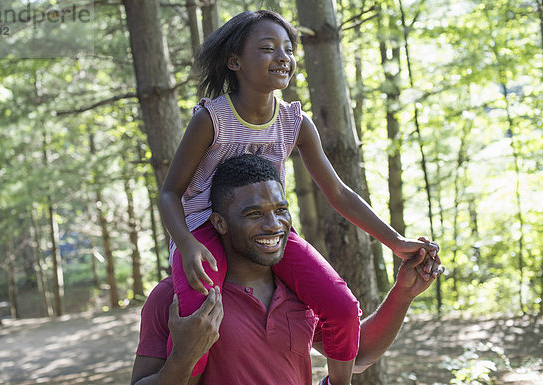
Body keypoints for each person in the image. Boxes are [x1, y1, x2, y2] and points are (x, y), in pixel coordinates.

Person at [159, 10, 440, 382]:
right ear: (234, 61)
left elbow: (338, 192)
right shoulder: (212, 119)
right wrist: (186, 244)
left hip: (269, 230)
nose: (282, 57)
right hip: (203, 229)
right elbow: (169, 193)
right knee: (199, 319)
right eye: (267, 48)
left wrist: (395, 242)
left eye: (288, 49)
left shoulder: (294, 122)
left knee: (342, 308)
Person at [133, 155, 444, 385]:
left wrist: (403, 294)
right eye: (254, 214)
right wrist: (184, 356)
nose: (273, 225)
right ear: (220, 223)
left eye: (281, 211)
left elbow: (357, 354)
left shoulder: (300, 291)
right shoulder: (175, 297)